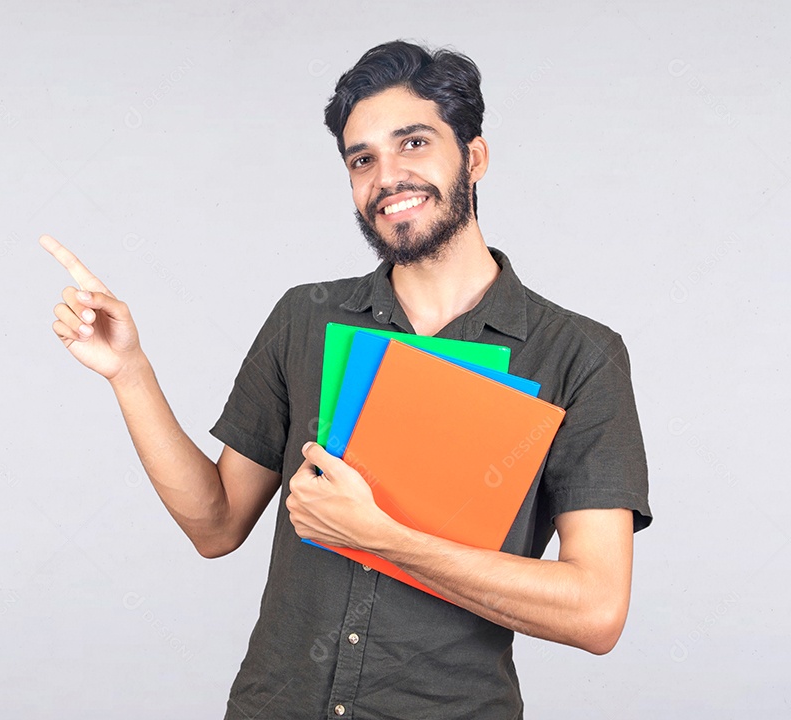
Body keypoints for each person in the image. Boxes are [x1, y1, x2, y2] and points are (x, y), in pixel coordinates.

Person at [41, 40, 651, 719]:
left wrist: (382, 538)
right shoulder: (307, 319)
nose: (387, 176)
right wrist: (130, 372)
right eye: (362, 160)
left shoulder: (578, 355)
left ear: (474, 157)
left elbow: (596, 611)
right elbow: (214, 524)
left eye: (414, 143)